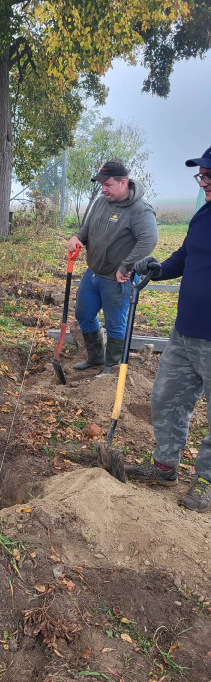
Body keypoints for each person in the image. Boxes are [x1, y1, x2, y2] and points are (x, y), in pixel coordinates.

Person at [125, 146, 211, 513]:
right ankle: (164, 465)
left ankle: (207, 480)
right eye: (201, 176)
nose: (203, 182)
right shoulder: (203, 215)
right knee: (167, 397)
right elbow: (186, 256)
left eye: (209, 175)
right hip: (184, 331)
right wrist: (160, 268)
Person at [67, 160, 158, 376]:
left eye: (107, 184)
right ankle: (96, 357)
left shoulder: (140, 210)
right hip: (93, 273)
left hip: (117, 278)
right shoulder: (101, 202)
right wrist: (77, 237)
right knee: (84, 314)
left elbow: (149, 240)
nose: (103, 189)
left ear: (123, 182)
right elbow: (87, 228)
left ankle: (112, 368)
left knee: (115, 323)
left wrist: (126, 266)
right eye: (102, 185)